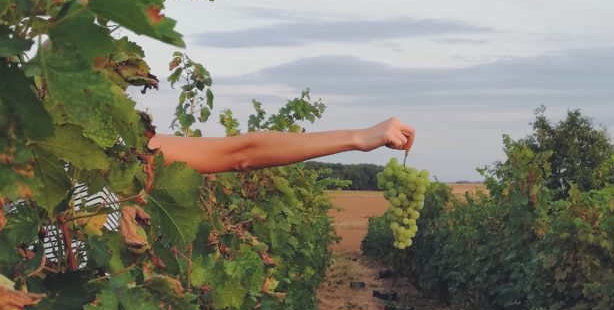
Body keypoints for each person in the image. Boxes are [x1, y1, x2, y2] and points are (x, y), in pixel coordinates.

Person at [146, 116, 415, 173]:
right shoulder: (117, 146)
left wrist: (358, 138)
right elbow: (242, 154)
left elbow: (244, 153)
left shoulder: (121, 145)